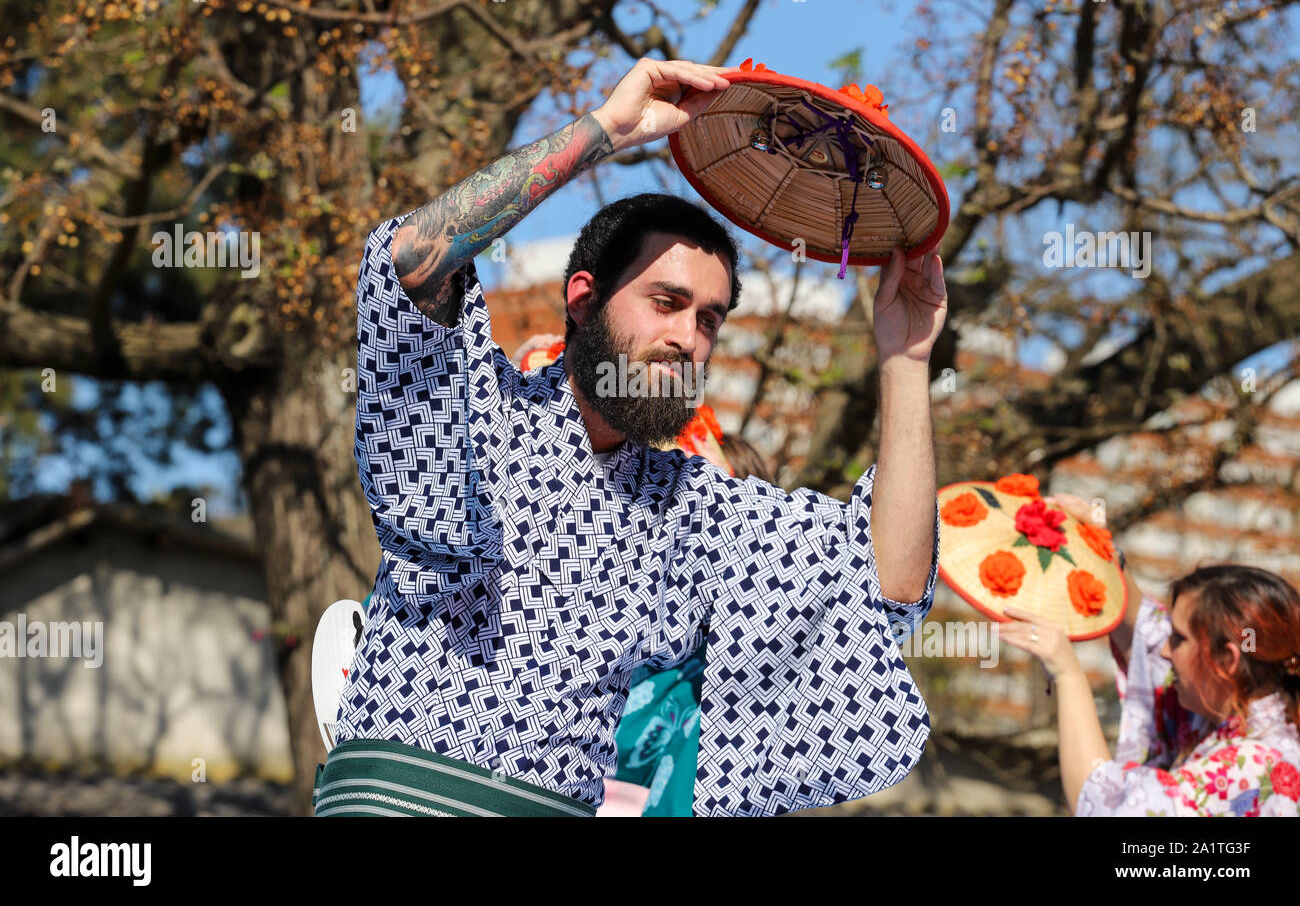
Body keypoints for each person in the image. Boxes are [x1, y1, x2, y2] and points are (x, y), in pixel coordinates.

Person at [322, 57, 947, 817]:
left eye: (709, 319)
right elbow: (408, 267)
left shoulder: (694, 511)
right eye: (667, 301)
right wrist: (603, 131)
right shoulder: (480, 409)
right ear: (583, 300)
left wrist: (907, 358)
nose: (689, 337)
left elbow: (889, 581)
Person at [1003, 495, 1300, 816]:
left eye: (1178, 639)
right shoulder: (1247, 717)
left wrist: (1067, 673)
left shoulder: (1252, 767)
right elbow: (1144, 633)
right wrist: (1101, 543)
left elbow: (1105, 807)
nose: (1164, 650)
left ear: (1227, 661)